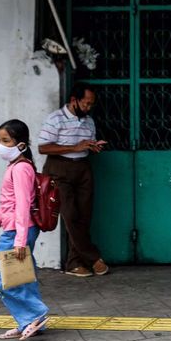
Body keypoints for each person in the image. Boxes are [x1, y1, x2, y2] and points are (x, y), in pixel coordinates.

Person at [0, 119, 49, 341]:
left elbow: (23, 205)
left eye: (6, 140)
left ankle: (36, 313)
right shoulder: (15, 166)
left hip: (18, 232)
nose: (0, 145)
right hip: (17, 229)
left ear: (21, 145)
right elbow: (9, 203)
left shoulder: (21, 168)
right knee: (21, 277)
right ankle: (29, 321)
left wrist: (20, 240)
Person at [38, 82, 108, 277]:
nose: (88, 108)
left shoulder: (89, 121)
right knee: (70, 215)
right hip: (59, 169)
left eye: (91, 104)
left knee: (84, 216)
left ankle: (74, 263)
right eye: (85, 103)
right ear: (74, 100)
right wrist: (74, 147)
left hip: (83, 168)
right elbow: (43, 148)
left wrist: (92, 147)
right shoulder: (55, 119)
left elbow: (85, 146)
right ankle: (93, 257)